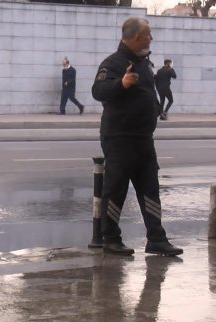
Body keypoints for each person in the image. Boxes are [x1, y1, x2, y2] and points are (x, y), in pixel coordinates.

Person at [91, 17, 183, 257]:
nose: (151, 38)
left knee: (150, 188)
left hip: (143, 138)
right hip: (119, 137)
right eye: (148, 35)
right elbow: (98, 91)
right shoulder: (113, 63)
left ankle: (156, 239)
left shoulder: (143, 63)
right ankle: (110, 239)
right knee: (116, 189)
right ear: (135, 37)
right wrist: (121, 84)